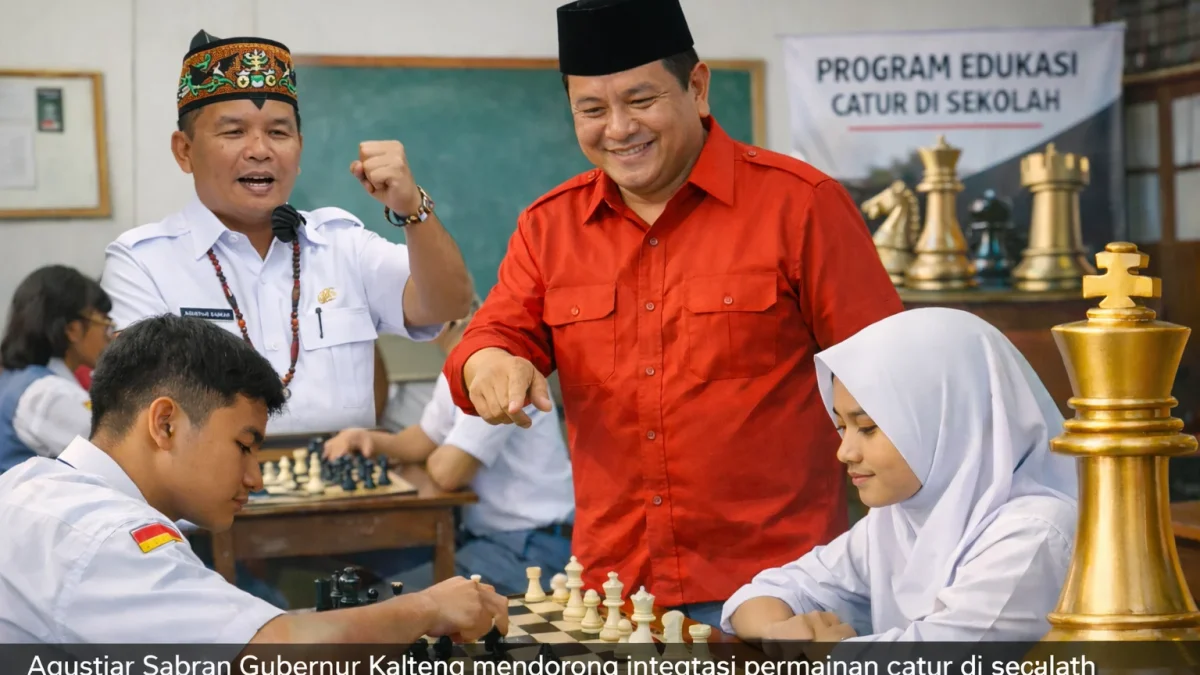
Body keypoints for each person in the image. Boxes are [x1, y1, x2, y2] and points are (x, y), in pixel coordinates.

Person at [441, 0, 904, 625]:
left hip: (784, 591)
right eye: (592, 110)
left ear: (698, 87)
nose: (618, 128)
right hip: (618, 597)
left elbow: (893, 387)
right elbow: (491, 335)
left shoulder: (802, 206)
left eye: (641, 100)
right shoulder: (548, 227)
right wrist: (489, 361)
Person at [0, 314, 508, 643]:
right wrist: (427, 607)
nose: (255, 478)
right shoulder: (108, 537)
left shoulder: (29, 482)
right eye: (244, 445)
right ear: (165, 423)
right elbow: (271, 653)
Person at [100, 30, 473, 436]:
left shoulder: (343, 244)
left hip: (335, 475)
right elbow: (141, 411)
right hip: (207, 479)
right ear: (184, 150)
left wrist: (412, 209)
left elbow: (447, 305)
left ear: (299, 148)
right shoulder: (143, 262)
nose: (260, 150)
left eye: (278, 133)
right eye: (234, 132)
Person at [720, 308, 1078, 643]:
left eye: (867, 427)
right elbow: (766, 594)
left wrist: (824, 654)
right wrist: (778, 632)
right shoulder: (899, 517)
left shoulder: (1035, 533)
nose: (845, 452)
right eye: (842, 426)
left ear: (947, 421)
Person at [324, 296, 576, 596]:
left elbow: (449, 473)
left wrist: (436, 456)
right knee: (366, 571)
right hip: (490, 538)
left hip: (533, 545)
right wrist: (367, 438)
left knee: (385, 600)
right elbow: (423, 438)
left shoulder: (496, 365)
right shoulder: (458, 366)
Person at [0, 265, 113, 473]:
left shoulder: (18, 379)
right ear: (72, 329)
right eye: (104, 323)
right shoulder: (48, 394)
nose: (110, 336)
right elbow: (114, 454)